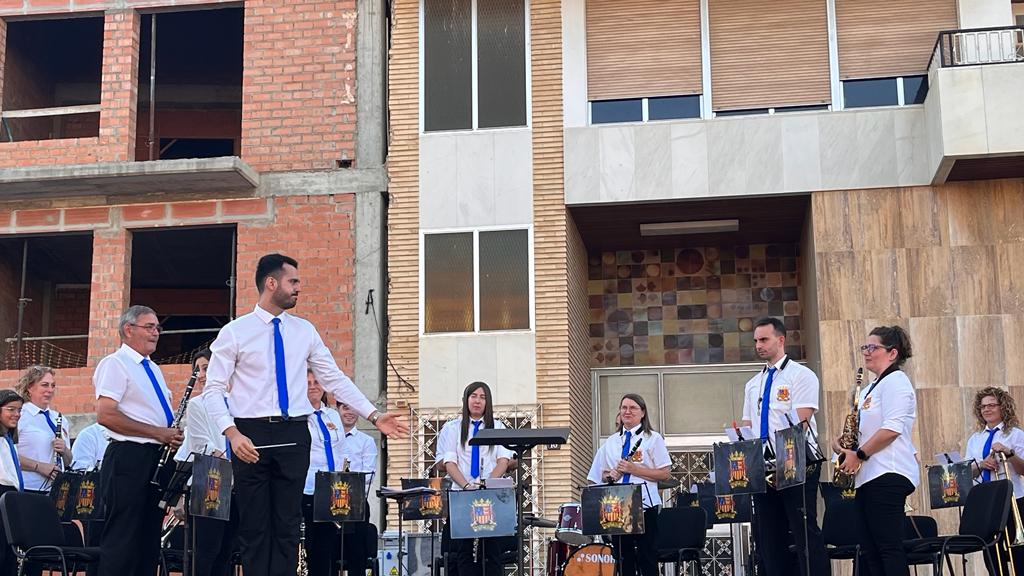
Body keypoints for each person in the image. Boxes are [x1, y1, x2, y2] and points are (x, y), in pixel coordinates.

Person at [201, 253, 407, 576]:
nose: (299, 288)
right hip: (249, 434)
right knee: (255, 529)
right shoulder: (235, 332)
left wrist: (374, 415)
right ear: (271, 283)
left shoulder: (304, 331)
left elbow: (334, 378)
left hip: (294, 435)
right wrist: (232, 433)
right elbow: (212, 389)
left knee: (287, 527)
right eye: (292, 281)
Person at [94, 305, 184, 576]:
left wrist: (169, 434)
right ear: (128, 329)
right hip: (128, 457)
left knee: (148, 542)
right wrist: (159, 433)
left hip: (155, 457)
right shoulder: (115, 363)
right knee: (123, 540)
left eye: (158, 327)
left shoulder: (153, 369)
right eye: (149, 327)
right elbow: (106, 414)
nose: (156, 332)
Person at [740, 317, 830, 576]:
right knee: (769, 536)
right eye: (756, 340)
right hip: (764, 467)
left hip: (796, 462)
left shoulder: (801, 375)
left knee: (803, 530)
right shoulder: (752, 384)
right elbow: (749, 425)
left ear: (781, 340)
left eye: (764, 340)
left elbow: (801, 421)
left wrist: (781, 457)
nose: (759, 345)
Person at [833, 325, 918, 576]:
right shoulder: (871, 387)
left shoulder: (896, 382)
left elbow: (892, 429)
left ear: (892, 353)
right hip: (868, 477)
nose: (867, 352)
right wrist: (844, 446)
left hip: (888, 474)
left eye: (873, 347)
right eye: (865, 347)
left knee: (888, 548)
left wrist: (858, 455)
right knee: (870, 551)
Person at [587, 393, 671, 576]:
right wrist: (610, 476)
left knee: (646, 557)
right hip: (617, 506)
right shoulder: (611, 442)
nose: (627, 411)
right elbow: (597, 476)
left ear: (642, 413)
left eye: (633, 408)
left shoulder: (653, 438)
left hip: (645, 506)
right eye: (624, 407)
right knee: (623, 558)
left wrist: (634, 469)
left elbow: (665, 473)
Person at [437, 382, 514, 576]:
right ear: (466, 400)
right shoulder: (453, 428)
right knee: (462, 551)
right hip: (462, 495)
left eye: (482, 397)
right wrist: (466, 486)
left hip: (489, 495)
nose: (477, 401)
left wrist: (486, 485)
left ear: (488, 402)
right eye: (473, 396)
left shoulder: (497, 426)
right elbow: (449, 462)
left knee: (491, 551)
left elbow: (503, 461)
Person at [173, 349, 238, 576]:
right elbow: (202, 445)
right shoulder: (197, 405)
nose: (200, 375)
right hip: (211, 483)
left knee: (226, 551)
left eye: (206, 368)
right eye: (197, 370)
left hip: (236, 486)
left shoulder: (237, 402)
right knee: (206, 551)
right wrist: (234, 460)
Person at [965, 387, 1024, 574]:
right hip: (986, 504)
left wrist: (1009, 453)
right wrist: (982, 465)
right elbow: (967, 472)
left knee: (1019, 556)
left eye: (992, 405)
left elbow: (1023, 469)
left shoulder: (1015, 434)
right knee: (991, 554)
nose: (986, 410)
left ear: (1003, 408)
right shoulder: (975, 439)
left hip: (1014, 500)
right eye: (983, 407)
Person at [301, 371, 344, 576]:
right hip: (307, 487)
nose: (313, 386)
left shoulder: (333, 415)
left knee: (326, 548)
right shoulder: (298, 415)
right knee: (307, 544)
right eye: (307, 382)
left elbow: (339, 450)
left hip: (331, 490)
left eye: (317, 381)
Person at [14, 366, 71, 492]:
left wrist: (65, 450)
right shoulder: (19, 416)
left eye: (53, 385)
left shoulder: (60, 418)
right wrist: (39, 467)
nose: (50, 390)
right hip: (28, 487)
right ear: (30, 388)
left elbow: (69, 461)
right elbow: (7, 455)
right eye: (44, 385)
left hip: (57, 490)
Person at [337, 400, 378, 575]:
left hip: (356, 505)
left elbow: (367, 476)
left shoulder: (366, 441)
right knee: (329, 552)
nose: (350, 412)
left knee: (356, 556)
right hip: (331, 504)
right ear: (337, 409)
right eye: (345, 407)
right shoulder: (329, 440)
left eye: (354, 408)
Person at [0, 389, 25, 576]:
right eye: (11, 409)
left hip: (12, 499)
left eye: (19, 410)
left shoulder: (8, 441)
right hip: (1, 494)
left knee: (10, 554)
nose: (16, 414)